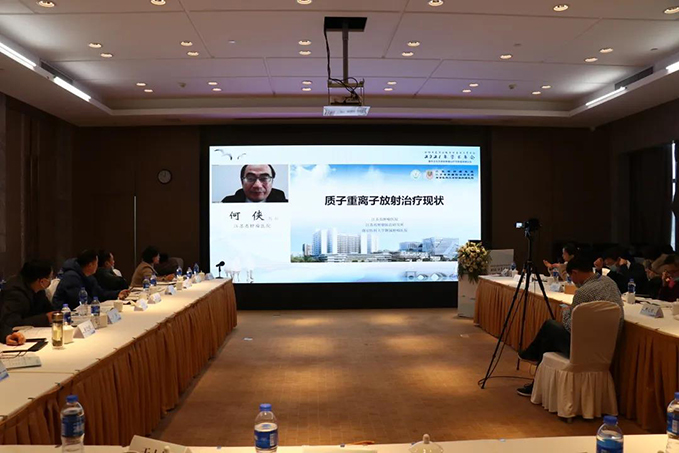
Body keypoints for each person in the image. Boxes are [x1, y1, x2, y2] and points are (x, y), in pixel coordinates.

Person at [516, 254, 623, 397]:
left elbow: (571, 327)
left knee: (550, 327)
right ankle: (533, 362)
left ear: (575, 273)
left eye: (570, 277)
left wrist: (566, 312)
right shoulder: (610, 282)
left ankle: (534, 369)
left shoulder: (583, 293)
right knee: (550, 335)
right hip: (608, 347)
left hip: (583, 349)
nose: (571, 280)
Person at [52, 249, 129, 310]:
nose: (97, 266)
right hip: (65, 314)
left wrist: (117, 293)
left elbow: (100, 294)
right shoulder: (71, 277)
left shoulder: (88, 275)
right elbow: (79, 301)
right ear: (90, 265)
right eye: (96, 263)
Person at [0, 260, 55, 337]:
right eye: (50, 277)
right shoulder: (15, 293)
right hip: (16, 336)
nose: (51, 280)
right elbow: (11, 323)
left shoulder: (38, 290)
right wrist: (45, 318)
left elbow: (49, 310)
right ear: (41, 281)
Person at [221, 164, 287, 203]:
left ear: (272, 181)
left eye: (264, 178)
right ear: (242, 181)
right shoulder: (226, 203)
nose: (257, 185)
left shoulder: (285, 204)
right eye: (250, 178)